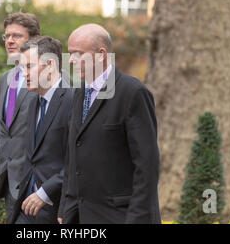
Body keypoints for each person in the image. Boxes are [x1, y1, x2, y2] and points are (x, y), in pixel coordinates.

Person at [60, 23, 161, 224]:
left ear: (101, 54)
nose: (71, 61)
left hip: (120, 217)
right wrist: (65, 208)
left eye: (78, 54)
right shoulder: (80, 92)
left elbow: (147, 164)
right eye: (70, 54)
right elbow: (73, 156)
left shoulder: (133, 93)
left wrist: (137, 219)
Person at [0, 12, 40, 219]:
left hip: (37, 182)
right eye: (7, 36)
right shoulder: (7, 78)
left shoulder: (51, 79)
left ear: (33, 40)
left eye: (17, 36)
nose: (10, 41)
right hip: (9, 182)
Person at [8, 36, 73, 224]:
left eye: (29, 67)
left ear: (50, 65)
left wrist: (45, 192)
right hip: (25, 207)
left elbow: (77, 161)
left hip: (56, 209)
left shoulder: (72, 101)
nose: (24, 74)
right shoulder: (33, 102)